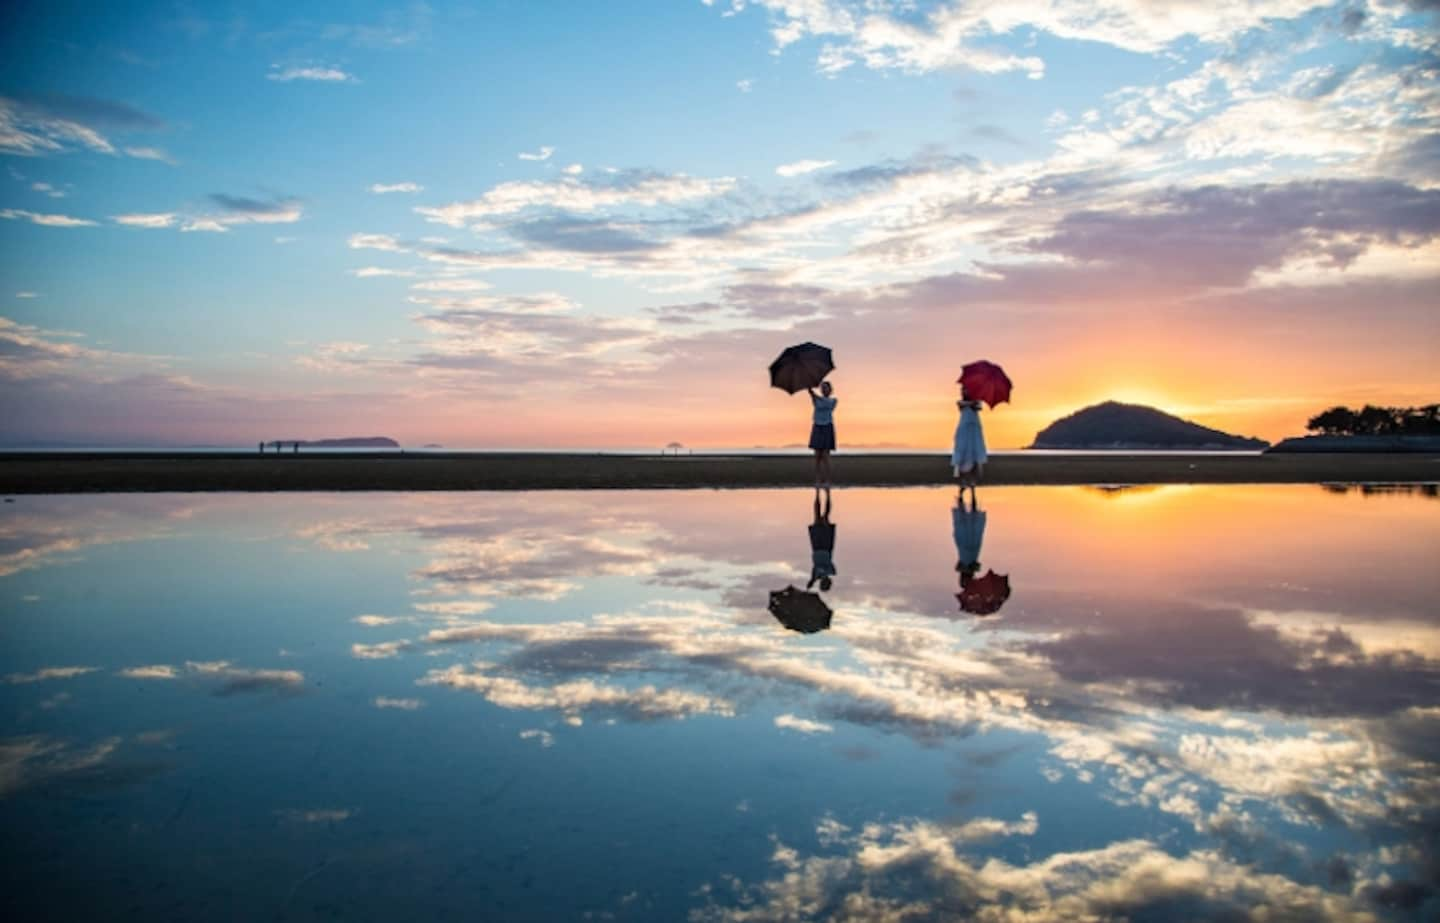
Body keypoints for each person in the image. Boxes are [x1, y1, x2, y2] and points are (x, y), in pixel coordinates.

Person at [952, 384, 987, 501]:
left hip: (974, 430)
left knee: (974, 457)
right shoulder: (961, 403)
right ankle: (962, 484)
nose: (964, 391)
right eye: (963, 390)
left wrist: (975, 401)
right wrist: (972, 403)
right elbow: (962, 404)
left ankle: (972, 486)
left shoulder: (976, 402)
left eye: (966, 389)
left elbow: (979, 406)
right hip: (964, 430)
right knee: (962, 455)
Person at [807, 380, 837, 488]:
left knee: (826, 456)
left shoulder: (833, 400)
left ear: (830, 390)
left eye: (826, 387)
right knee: (817, 456)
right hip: (817, 426)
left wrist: (813, 394)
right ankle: (818, 480)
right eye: (822, 388)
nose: (824, 389)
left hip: (827, 426)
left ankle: (828, 481)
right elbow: (816, 400)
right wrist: (811, 393)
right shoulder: (816, 400)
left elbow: (826, 404)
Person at [807, 488, 836, 591]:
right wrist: (814, 580)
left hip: (816, 547)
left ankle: (818, 492)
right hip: (825, 546)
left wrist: (812, 582)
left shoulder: (816, 576)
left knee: (817, 516)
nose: (821, 583)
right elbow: (822, 568)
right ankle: (828, 494)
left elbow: (816, 571)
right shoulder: (831, 572)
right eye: (823, 584)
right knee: (825, 517)